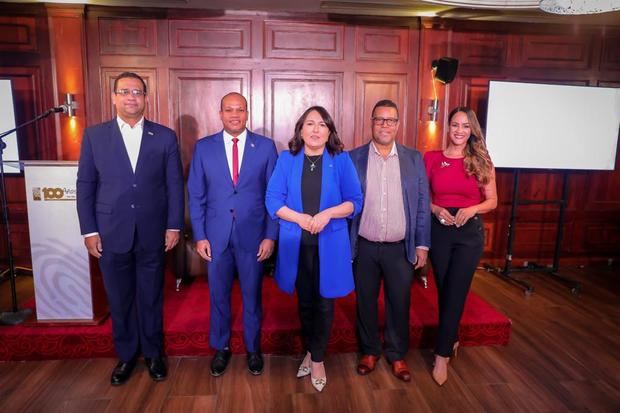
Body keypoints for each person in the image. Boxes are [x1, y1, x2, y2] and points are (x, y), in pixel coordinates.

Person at [76, 72, 184, 385]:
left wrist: (174, 224)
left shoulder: (164, 137)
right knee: (120, 299)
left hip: (153, 231)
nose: (131, 97)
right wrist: (89, 230)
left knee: (151, 296)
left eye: (137, 91)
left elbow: (174, 185)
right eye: (124, 91)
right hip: (110, 232)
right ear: (114, 97)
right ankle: (126, 356)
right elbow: (85, 185)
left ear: (145, 98)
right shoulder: (95, 136)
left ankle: (153, 353)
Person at [266, 106, 362, 392]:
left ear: (330, 131)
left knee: (324, 302)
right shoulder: (287, 159)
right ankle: (311, 350)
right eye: (310, 124)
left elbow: (355, 201)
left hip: (330, 243)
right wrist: (300, 218)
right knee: (305, 302)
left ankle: (317, 358)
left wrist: (327, 214)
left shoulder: (341, 160)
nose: (316, 129)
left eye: (322, 124)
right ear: (300, 129)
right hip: (297, 243)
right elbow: (273, 199)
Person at [187, 92, 278, 377]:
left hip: (253, 237)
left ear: (248, 113)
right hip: (215, 237)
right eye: (229, 110)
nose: (235, 115)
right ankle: (221, 347)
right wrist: (200, 236)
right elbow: (196, 195)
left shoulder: (265, 147)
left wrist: (270, 236)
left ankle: (253, 349)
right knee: (218, 295)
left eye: (240, 109)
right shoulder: (203, 148)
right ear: (220, 113)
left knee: (252, 296)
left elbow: (274, 196)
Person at [349, 99, 431, 382]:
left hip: (400, 248)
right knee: (366, 303)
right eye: (379, 119)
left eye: (390, 120)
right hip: (365, 246)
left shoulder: (413, 159)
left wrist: (422, 244)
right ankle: (370, 351)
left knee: (399, 302)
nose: (385, 125)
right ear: (371, 123)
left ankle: (396, 355)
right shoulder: (353, 158)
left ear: (398, 125)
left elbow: (422, 203)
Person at [423, 106, 498, 386]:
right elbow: (422, 197)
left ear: (472, 131)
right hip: (439, 231)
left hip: (468, 234)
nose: (459, 131)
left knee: (456, 291)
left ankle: (441, 355)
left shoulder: (481, 161)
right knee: (445, 290)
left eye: (465, 126)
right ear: (448, 127)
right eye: (455, 125)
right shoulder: (431, 158)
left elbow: (493, 200)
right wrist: (435, 209)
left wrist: (473, 209)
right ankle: (452, 338)